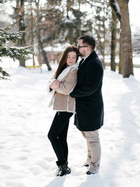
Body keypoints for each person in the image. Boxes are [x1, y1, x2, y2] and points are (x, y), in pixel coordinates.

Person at [70, 35, 104, 175]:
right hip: (84, 107)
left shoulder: (94, 64)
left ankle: (94, 166)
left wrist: (72, 92)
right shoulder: (86, 60)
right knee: (87, 136)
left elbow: (90, 88)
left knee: (93, 138)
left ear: (88, 48)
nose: (77, 48)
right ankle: (90, 159)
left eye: (80, 46)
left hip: (91, 108)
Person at [47, 45, 79, 177]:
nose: (71, 59)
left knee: (52, 135)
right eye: (68, 56)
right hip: (62, 106)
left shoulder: (74, 70)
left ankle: (62, 165)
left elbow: (66, 89)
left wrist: (56, 85)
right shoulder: (64, 68)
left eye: (74, 57)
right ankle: (65, 165)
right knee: (61, 137)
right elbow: (52, 81)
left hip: (66, 107)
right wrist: (53, 84)